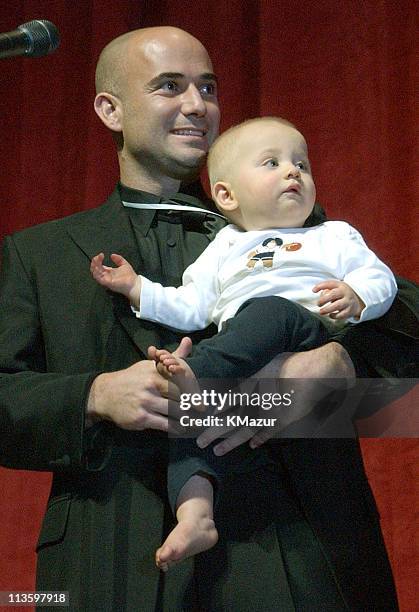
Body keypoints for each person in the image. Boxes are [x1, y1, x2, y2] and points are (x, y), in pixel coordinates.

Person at [0, 25, 415, 610]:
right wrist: (93, 395)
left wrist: (337, 366)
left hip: (302, 558)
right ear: (109, 109)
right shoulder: (36, 253)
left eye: (208, 87)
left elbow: (401, 393)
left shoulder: (296, 227)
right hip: (111, 564)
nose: (198, 105)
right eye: (170, 86)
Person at [90, 116, 397, 570]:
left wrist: (358, 297)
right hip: (243, 351)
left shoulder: (333, 234)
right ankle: (195, 513)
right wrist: (138, 289)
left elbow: (379, 277)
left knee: (267, 310)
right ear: (227, 195)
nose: (294, 172)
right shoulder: (224, 247)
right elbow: (192, 306)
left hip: (303, 327)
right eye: (272, 163)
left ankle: (195, 374)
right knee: (190, 427)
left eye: (302, 164)